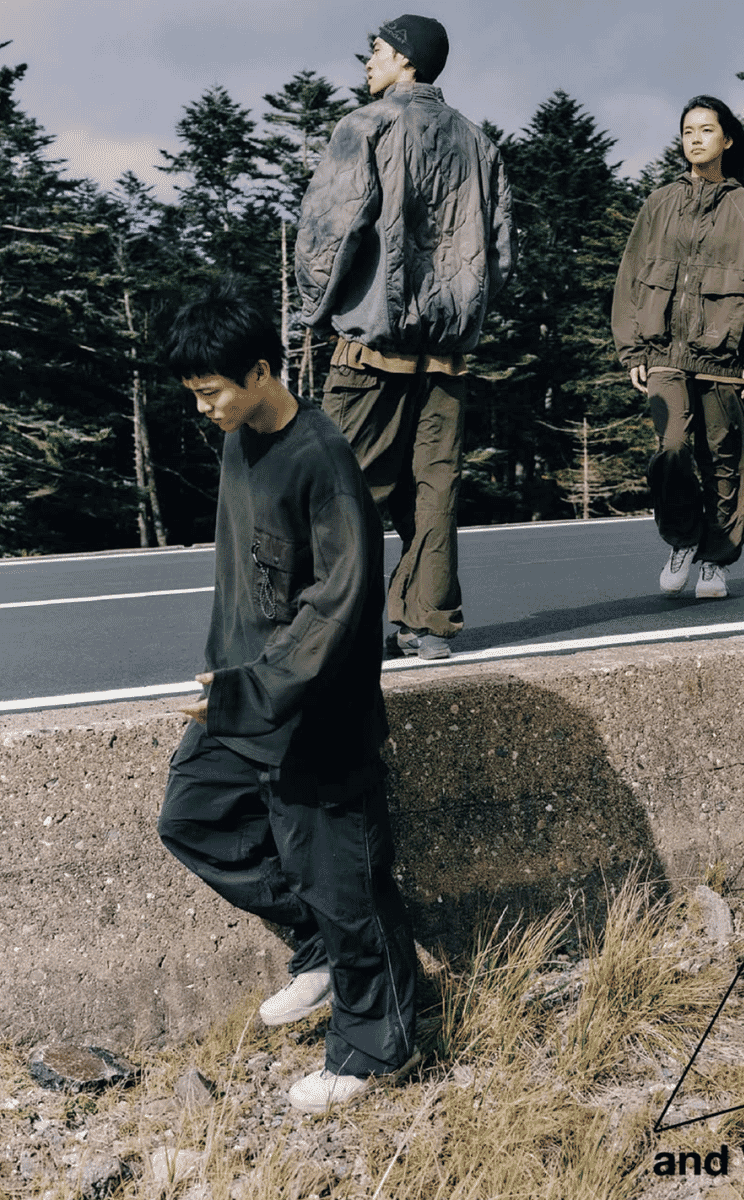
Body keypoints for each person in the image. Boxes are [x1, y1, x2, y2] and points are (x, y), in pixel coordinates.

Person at [157, 282, 418, 1114]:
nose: (204, 410)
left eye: (211, 392)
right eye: (194, 395)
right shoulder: (240, 438)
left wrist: (255, 689)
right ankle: (314, 951)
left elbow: (335, 608)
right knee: (193, 816)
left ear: (262, 371)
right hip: (241, 698)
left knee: (349, 891)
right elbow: (252, 579)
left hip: (313, 718)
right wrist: (225, 679)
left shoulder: (322, 461)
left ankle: (377, 1048)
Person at [296, 14, 515, 660]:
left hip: (372, 349)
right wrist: (464, 312)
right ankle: (426, 622)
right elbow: (500, 258)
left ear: (407, 62)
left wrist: (315, 310)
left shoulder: (363, 127)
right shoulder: (479, 143)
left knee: (343, 489)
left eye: (378, 51)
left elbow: (328, 232)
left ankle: (337, 624)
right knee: (433, 488)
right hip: (446, 356)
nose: (368, 62)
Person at [612, 95, 744, 599]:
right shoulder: (660, 202)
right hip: (665, 352)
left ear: (726, 140)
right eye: (688, 130)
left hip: (724, 356)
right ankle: (683, 538)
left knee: (723, 456)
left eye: (706, 130)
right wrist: (632, 349)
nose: (695, 138)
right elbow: (630, 276)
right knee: (670, 450)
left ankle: (715, 559)